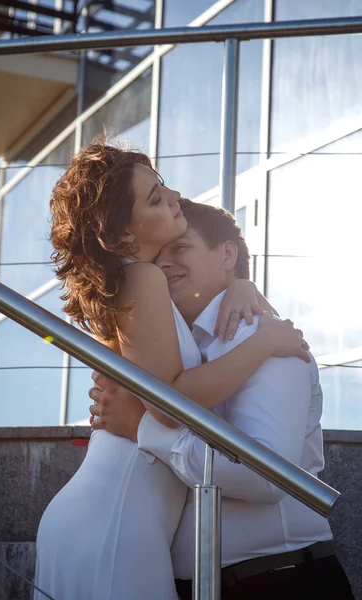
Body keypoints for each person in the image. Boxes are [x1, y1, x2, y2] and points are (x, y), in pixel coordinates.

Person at [34, 140, 309, 600]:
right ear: (122, 237)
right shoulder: (142, 278)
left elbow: (201, 304)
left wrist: (240, 279)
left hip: (103, 513)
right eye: (156, 198)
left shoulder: (136, 286)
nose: (176, 197)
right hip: (118, 516)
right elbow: (167, 405)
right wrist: (264, 342)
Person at [89, 199, 354, 600]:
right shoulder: (178, 353)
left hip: (279, 580)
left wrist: (142, 428)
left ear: (227, 253)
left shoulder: (266, 339)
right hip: (203, 585)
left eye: (181, 248)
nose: (163, 264)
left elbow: (265, 476)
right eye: (158, 254)